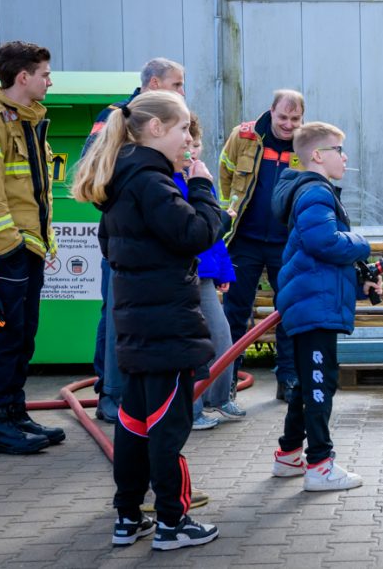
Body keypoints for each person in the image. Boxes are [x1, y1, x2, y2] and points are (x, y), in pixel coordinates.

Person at [71, 90, 220, 550]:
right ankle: (173, 522)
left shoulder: (120, 180)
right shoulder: (152, 182)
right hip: (166, 327)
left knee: (134, 424)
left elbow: (114, 247)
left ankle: (128, 517)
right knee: (168, 428)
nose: (187, 144)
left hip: (135, 325)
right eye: (182, 132)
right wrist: (202, 190)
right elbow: (194, 233)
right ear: (156, 128)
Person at [0, 41, 65, 455]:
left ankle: (15, 413)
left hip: (27, 248)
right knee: (2, 335)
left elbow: (32, 191)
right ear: (23, 77)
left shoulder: (25, 119)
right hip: (2, 252)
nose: (49, 81)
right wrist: (9, 246)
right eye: (44, 74)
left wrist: (39, 242)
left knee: (22, 335)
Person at [269, 122, 382, 491]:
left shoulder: (312, 192)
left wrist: (359, 285)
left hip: (312, 303)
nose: (346, 158)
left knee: (307, 384)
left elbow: (319, 263)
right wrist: (362, 242)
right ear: (317, 155)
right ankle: (320, 465)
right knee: (320, 385)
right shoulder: (316, 192)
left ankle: (289, 456)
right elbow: (324, 243)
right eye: (339, 150)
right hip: (312, 311)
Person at [86, 58, 186, 424]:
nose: (182, 92)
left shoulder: (158, 126)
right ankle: (112, 395)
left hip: (142, 237)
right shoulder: (117, 116)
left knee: (121, 315)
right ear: (155, 83)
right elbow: (93, 171)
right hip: (127, 238)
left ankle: (119, 394)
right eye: (177, 85)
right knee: (117, 316)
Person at [218, 90, 303, 402]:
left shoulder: (306, 144)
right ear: (271, 111)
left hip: (287, 244)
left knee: (289, 312)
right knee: (235, 312)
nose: (288, 124)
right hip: (245, 241)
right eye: (283, 117)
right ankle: (226, 380)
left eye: (295, 119)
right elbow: (225, 173)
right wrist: (229, 214)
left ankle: (289, 379)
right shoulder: (244, 137)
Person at [173, 113, 245, 431]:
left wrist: (224, 273)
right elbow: (194, 230)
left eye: (199, 144)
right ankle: (194, 406)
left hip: (205, 275)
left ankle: (219, 398)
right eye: (189, 144)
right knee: (195, 342)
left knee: (221, 335)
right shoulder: (175, 180)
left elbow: (214, 237)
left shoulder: (201, 179)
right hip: (185, 274)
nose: (194, 151)